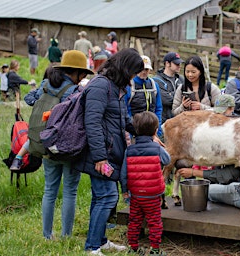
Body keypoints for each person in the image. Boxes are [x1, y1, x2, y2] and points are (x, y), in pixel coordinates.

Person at [77, 48, 144, 255]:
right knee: (107, 197)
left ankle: (100, 240)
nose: (134, 77)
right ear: (125, 68)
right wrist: (100, 157)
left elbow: (123, 120)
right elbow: (93, 122)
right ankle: (92, 247)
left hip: (110, 152)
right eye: (133, 72)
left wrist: (146, 133)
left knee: (101, 197)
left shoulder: (116, 88)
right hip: (100, 154)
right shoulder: (100, 85)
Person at [36, 50, 94, 240]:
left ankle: (47, 234)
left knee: (49, 190)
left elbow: (30, 99)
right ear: (75, 72)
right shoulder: (76, 91)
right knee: (70, 191)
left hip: (47, 141)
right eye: (83, 74)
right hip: (69, 147)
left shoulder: (45, 84)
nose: (83, 77)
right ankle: (66, 235)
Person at [120, 111, 170, 255]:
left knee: (134, 220)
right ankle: (155, 249)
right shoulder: (157, 148)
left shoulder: (129, 150)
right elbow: (167, 160)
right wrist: (157, 144)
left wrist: (124, 190)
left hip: (135, 195)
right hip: (153, 195)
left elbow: (124, 174)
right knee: (154, 222)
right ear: (155, 131)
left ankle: (133, 247)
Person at [125, 55, 163, 137]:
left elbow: (158, 108)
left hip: (151, 130)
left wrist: (158, 129)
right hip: (134, 130)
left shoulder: (154, 85)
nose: (143, 72)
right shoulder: (130, 85)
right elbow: (125, 109)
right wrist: (131, 131)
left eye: (146, 69)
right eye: (140, 69)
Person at [153, 52, 184, 126]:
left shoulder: (181, 79)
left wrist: (171, 94)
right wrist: (180, 97)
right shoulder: (157, 80)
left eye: (180, 63)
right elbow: (167, 100)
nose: (179, 66)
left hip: (180, 121)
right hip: (164, 122)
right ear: (167, 63)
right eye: (176, 64)